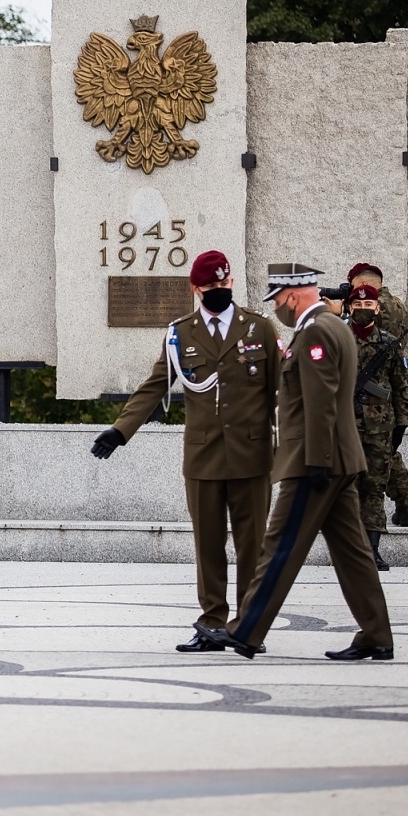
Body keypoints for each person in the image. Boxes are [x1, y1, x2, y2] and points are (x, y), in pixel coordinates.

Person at [198, 263, 393, 661]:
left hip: (314, 460)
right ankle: (376, 634)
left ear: (291, 296)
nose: (278, 310)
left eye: (279, 302)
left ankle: (245, 630)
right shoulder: (335, 326)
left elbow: (320, 400)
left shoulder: (317, 331)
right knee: (353, 553)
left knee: (279, 547)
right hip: (339, 458)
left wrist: (317, 461)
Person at [91, 251, 277, 652]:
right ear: (196, 289)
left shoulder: (259, 330)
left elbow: (283, 393)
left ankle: (247, 624)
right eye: (210, 288)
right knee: (207, 545)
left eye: (224, 287)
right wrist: (121, 430)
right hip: (204, 457)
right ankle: (211, 622)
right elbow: (156, 385)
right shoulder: (181, 334)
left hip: (252, 456)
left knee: (252, 544)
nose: (218, 293)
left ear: (232, 284)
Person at [348, 262, 408, 527]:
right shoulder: (398, 305)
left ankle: (400, 503)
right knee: (387, 453)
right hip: (378, 391)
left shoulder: (380, 307)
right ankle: (404, 502)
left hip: (372, 388)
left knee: (382, 460)